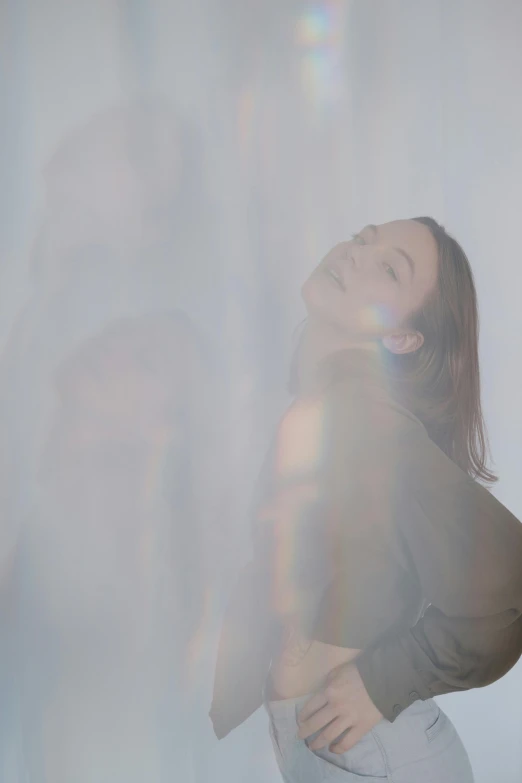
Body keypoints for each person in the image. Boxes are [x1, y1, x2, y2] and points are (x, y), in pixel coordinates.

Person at [209, 217, 522, 782]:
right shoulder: (321, 410)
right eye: (363, 239)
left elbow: (514, 579)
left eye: (388, 268)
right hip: (329, 751)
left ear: (401, 337)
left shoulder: (368, 423)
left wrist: (385, 682)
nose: (355, 254)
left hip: (377, 759)